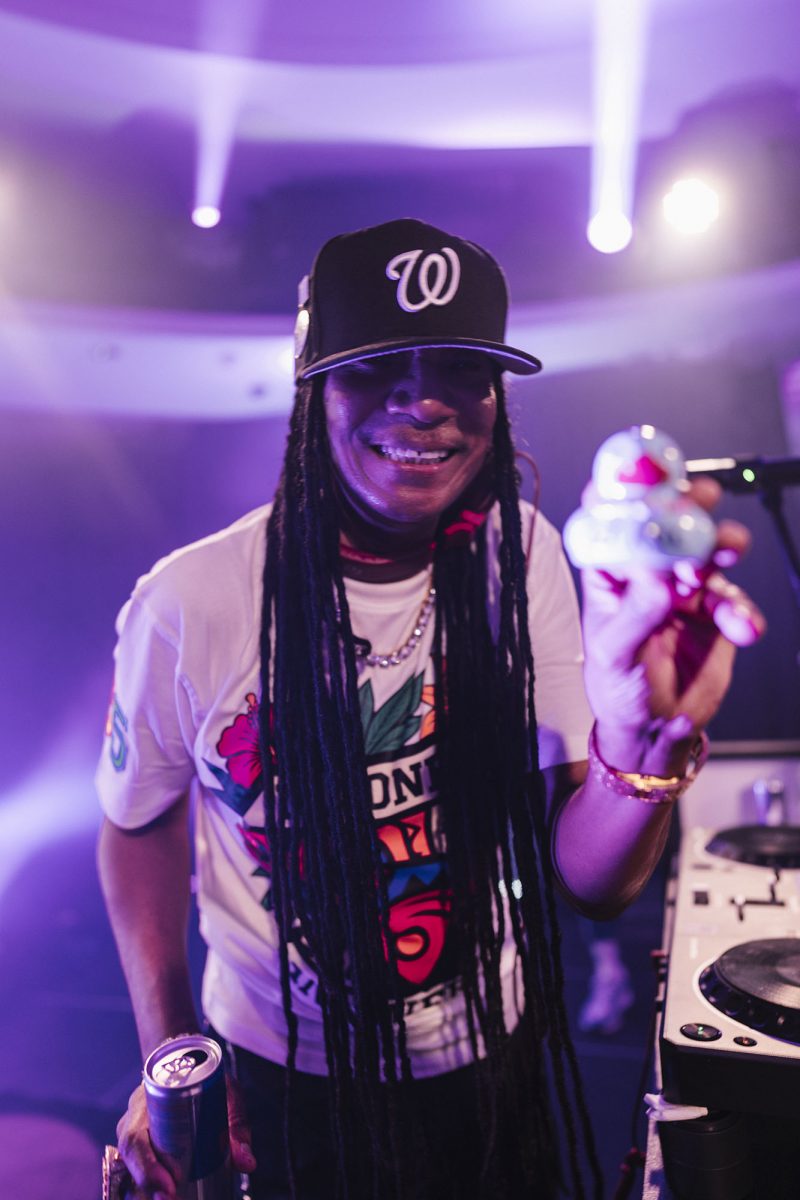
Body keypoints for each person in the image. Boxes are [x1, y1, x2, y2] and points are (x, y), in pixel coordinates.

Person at [95, 218, 763, 1200]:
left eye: (461, 368)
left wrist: (644, 741)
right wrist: (170, 1053)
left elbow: (593, 883)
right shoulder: (188, 602)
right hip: (278, 1079)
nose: (423, 401)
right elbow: (135, 820)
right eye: (376, 367)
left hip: (485, 1062)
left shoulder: (521, 553)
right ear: (312, 390)